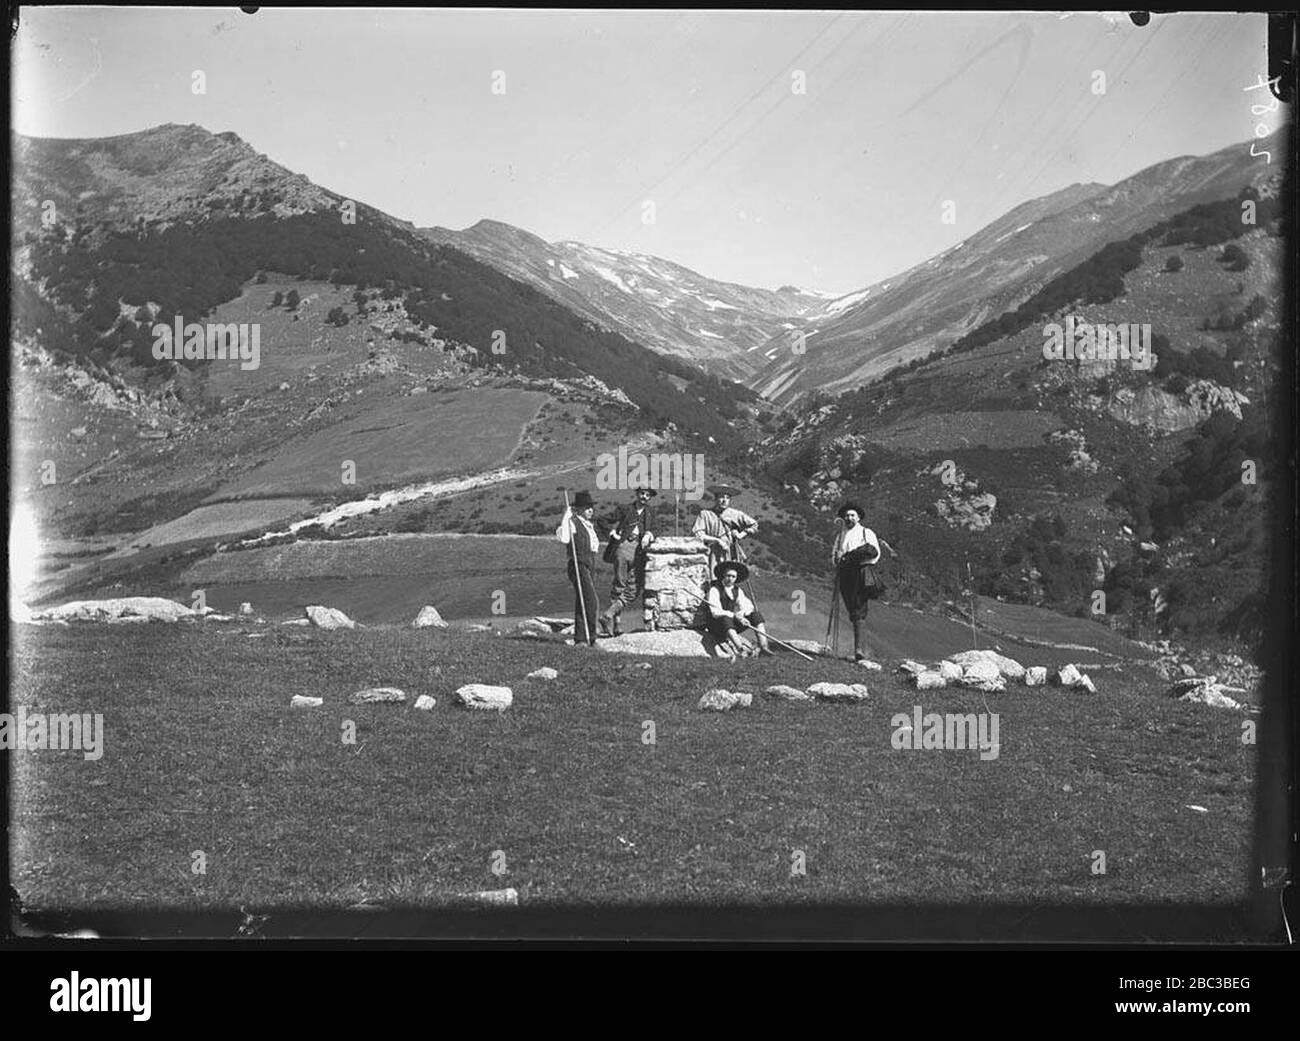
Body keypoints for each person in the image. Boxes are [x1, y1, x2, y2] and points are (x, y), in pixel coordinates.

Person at [830, 501, 896, 662]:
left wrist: (847, 556)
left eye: (852, 515)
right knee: (853, 610)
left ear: (858, 518)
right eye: (846, 515)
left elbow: (873, 552)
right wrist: (838, 559)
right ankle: (858, 650)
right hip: (846, 575)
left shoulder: (866, 532)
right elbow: (834, 558)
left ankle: (860, 650)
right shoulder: (840, 536)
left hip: (861, 573)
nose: (848, 518)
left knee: (859, 609)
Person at [598, 485, 657, 636]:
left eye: (647, 495)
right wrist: (612, 533)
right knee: (619, 584)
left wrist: (649, 534)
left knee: (634, 589)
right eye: (642, 494)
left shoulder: (651, 512)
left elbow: (656, 528)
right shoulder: (625, 509)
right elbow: (602, 520)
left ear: (650, 497)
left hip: (639, 552)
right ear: (637, 494)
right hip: (623, 548)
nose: (644, 497)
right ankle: (617, 625)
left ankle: (608, 615)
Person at [556, 490, 601, 647]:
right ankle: (588, 638)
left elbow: (594, 547)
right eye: (587, 507)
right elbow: (564, 538)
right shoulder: (573, 523)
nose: (591, 510)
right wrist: (566, 517)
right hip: (578, 565)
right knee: (591, 601)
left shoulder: (588, 525)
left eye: (591, 507)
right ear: (579, 509)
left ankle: (582, 638)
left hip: (589, 565)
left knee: (584, 600)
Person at [705, 561, 773, 658]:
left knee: (755, 615)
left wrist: (741, 615)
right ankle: (741, 649)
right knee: (725, 618)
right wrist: (735, 616)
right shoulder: (714, 590)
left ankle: (764, 647)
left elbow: (747, 605)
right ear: (723, 576)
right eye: (728, 576)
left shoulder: (737, 591)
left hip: (731, 625)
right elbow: (715, 612)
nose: (730, 579)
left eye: (733, 577)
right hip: (716, 625)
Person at [693, 484, 759, 573]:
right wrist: (717, 540)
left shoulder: (735, 514)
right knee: (712, 575)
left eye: (727, 498)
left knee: (729, 575)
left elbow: (754, 524)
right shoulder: (705, 514)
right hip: (711, 550)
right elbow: (699, 534)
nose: (724, 501)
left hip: (729, 550)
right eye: (721, 497)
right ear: (715, 498)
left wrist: (741, 534)